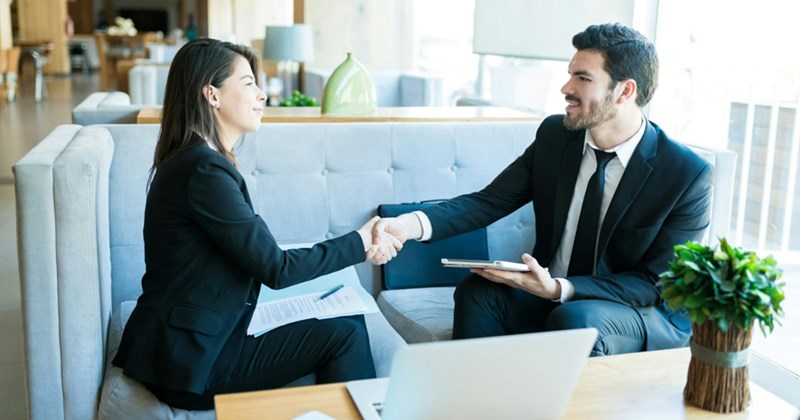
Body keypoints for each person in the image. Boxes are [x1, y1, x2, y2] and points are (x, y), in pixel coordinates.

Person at [373, 23, 713, 356]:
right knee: (479, 291)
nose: (566, 88)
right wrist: (408, 225)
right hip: (554, 294)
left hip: (638, 311)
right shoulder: (557, 136)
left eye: (582, 78)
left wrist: (558, 288)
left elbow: (653, 283)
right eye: (569, 74)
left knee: (577, 318)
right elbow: (489, 202)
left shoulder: (686, 174)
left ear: (625, 91)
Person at [112, 39, 400, 410]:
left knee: (346, 320)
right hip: (191, 362)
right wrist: (359, 243)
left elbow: (259, 257)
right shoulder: (203, 170)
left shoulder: (196, 161)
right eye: (249, 83)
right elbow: (275, 268)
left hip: (192, 341)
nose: (262, 94)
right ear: (212, 95)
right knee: (343, 334)